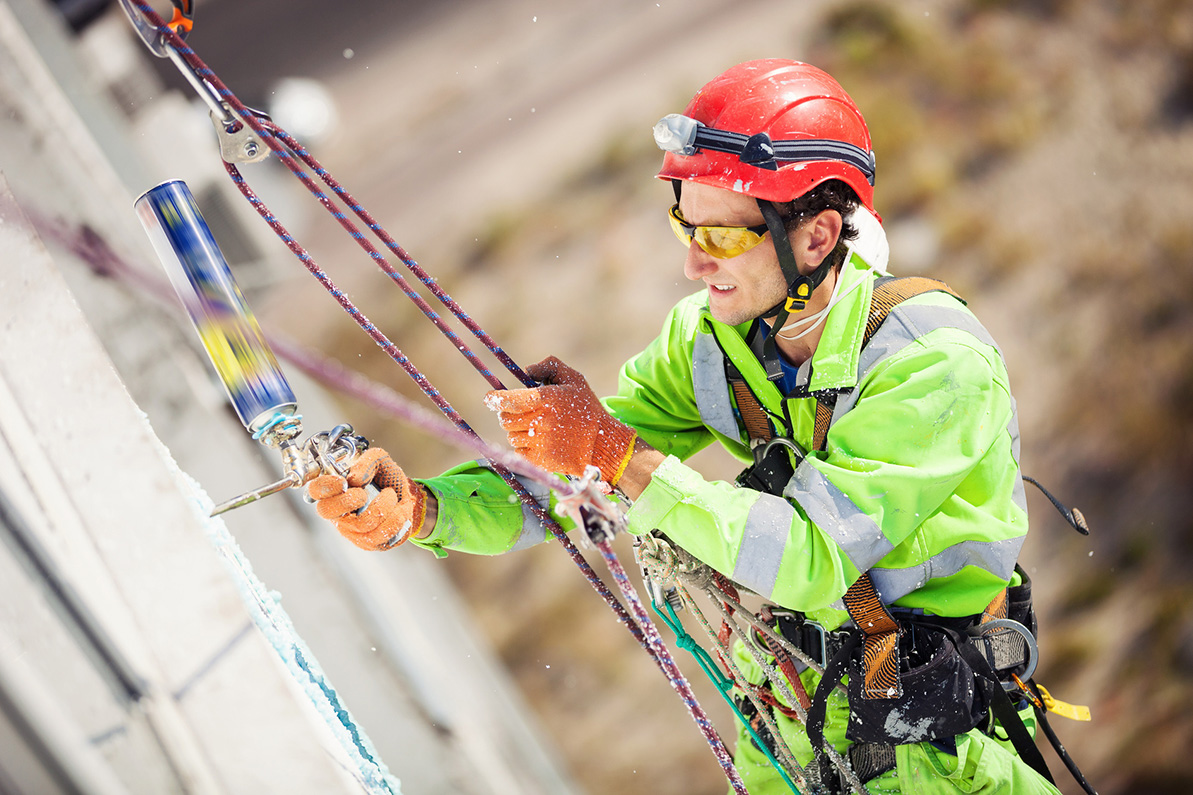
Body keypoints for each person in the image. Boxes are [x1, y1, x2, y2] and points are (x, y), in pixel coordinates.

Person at [308, 59, 1060, 794]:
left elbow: (808, 555)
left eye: (724, 236)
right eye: (684, 227)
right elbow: (575, 476)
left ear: (816, 236)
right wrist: (426, 509)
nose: (695, 265)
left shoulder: (934, 364)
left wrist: (617, 454)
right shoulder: (710, 342)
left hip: (929, 750)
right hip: (787, 719)